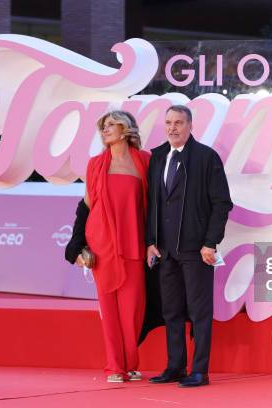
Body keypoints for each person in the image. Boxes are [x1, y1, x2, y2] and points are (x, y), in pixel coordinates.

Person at [146, 105, 233, 387]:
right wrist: (150, 241)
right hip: (165, 250)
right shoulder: (158, 157)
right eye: (169, 122)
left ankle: (200, 371)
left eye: (179, 123)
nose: (172, 128)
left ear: (190, 125)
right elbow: (153, 204)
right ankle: (175, 366)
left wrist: (210, 242)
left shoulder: (207, 157)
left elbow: (221, 203)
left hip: (197, 250)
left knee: (199, 312)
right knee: (171, 311)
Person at [66, 110, 150, 383]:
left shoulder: (144, 161)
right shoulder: (96, 164)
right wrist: (76, 244)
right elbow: (87, 205)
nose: (105, 130)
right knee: (110, 311)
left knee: (133, 311)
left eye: (111, 125)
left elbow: (155, 204)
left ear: (126, 129)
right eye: (103, 126)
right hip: (102, 245)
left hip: (135, 243)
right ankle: (115, 366)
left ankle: (131, 363)